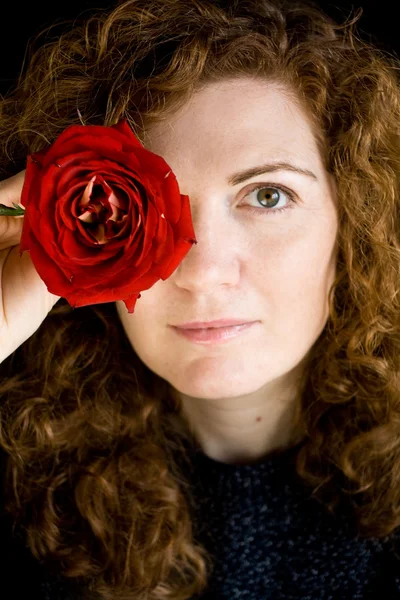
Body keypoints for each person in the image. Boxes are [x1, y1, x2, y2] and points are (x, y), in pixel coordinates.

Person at [1, 0, 400, 598]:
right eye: (151, 207)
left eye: (267, 196)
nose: (204, 271)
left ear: (355, 222)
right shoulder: (18, 490)